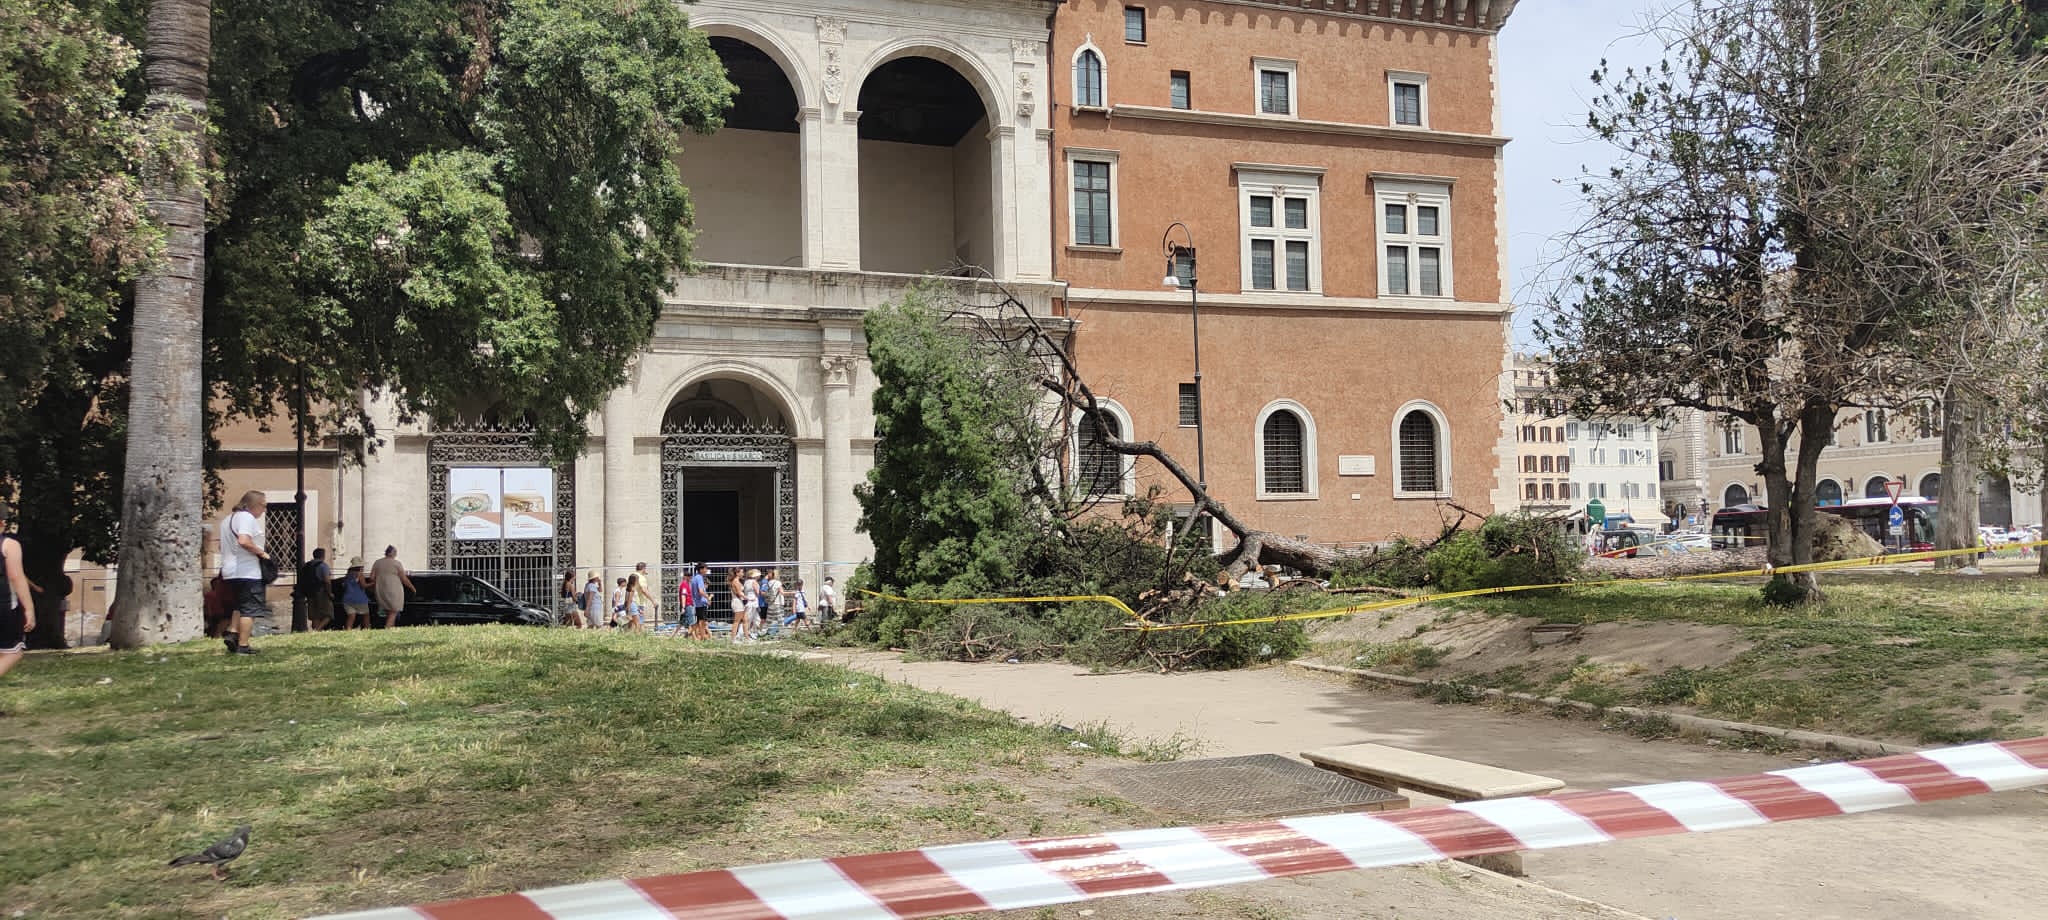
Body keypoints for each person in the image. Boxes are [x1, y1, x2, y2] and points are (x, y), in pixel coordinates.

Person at [218, 491, 273, 655]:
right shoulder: (246, 518)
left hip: (230, 571)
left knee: (240, 605)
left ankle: (233, 633)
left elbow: (222, 546)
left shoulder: (228, 520)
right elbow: (244, 540)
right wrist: (261, 553)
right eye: (263, 506)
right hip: (247, 570)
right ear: (253, 504)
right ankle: (243, 645)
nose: (264, 510)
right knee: (250, 609)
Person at [0, 503, 34, 679]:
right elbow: (16, 577)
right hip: (4, 607)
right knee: (12, 653)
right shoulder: (9, 545)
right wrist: (29, 609)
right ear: (2, 523)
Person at [370, 545, 417, 629]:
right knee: (394, 611)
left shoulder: (377, 562)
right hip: (394, 590)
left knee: (389, 611)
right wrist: (412, 588)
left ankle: (391, 629)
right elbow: (404, 578)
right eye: (395, 552)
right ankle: (387, 629)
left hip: (380, 590)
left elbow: (372, 578)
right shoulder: (396, 563)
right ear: (392, 553)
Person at [298, 549, 334, 631]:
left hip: (309, 592)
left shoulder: (307, 565)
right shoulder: (323, 566)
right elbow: (327, 581)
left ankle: (316, 632)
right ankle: (317, 630)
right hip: (321, 592)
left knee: (315, 615)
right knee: (328, 614)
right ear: (323, 556)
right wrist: (330, 593)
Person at [340, 557, 372, 629]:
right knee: (366, 615)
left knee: (351, 616)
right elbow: (363, 585)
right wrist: (373, 583)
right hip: (359, 599)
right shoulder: (359, 574)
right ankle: (367, 630)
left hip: (347, 599)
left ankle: (348, 631)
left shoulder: (348, 575)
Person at [688, 563, 713, 640]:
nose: (706, 570)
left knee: (699, 621)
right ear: (701, 569)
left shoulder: (695, 578)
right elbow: (701, 591)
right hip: (701, 603)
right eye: (705, 569)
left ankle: (690, 634)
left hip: (697, 603)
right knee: (702, 622)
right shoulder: (699, 578)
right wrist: (708, 598)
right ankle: (702, 637)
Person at [627, 565, 654, 633]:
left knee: (635, 623)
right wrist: (629, 611)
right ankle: (637, 636)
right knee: (637, 623)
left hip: (635, 605)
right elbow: (630, 600)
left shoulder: (632, 586)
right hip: (635, 605)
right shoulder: (633, 588)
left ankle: (634, 635)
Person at [727, 568, 748, 641]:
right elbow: (739, 593)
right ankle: (733, 639)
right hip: (737, 602)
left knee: (745, 620)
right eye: (741, 572)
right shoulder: (735, 581)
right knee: (736, 621)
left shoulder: (737, 581)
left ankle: (747, 638)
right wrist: (748, 598)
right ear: (737, 573)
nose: (743, 574)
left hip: (740, 601)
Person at [742, 568, 762, 640]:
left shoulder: (746, 582)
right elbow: (757, 592)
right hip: (753, 601)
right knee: (750, 619)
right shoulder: (754, 582)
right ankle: (745, 634)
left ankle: (751, 632)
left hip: (748, 601)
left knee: (754, 618)